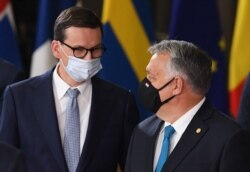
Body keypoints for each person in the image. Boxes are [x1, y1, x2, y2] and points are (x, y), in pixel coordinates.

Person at [0, 7, 139, 172]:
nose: (88, 58)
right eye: (79, 50)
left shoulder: (121, 102)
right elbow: (5, 163)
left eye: (95, 49)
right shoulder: (19, 97)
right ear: (56, 49)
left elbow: (132, 167)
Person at [125, 40, 250, 172]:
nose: (145, 83)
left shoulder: (229, 139)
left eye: (152, 77)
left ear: (177, 85)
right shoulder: (142, 131)